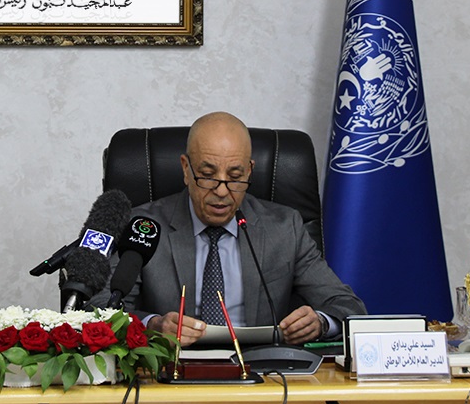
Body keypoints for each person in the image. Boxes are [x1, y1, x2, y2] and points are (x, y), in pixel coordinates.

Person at [90, 112, 366, 346]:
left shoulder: (285, 228)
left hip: (263, 375)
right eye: (208, 175)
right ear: (186, 169)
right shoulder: (143, 227)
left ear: (249, 171)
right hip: (171, 372)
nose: (222, 192)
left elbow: (348, 306)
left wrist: (320, 322)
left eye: (235, 177)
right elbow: (100, 308)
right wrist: (153, 325)